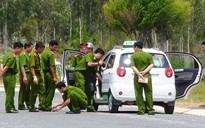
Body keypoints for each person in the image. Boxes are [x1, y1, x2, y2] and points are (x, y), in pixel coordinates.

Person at [74, 48, 105, 112]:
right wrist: (98, 63)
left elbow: (96, 72)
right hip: (79, 72)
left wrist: (102, 80)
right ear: (98, 53)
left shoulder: (95, 60)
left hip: (86, 74)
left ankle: (89, 106)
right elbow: (89, 64)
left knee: (88, 90)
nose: (100, 58)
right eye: (101, 56)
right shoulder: (89, 55)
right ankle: (78, 106)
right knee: (81, 88)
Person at [130, 41, 155, 115]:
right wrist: (144, 72)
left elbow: (132, 66)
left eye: (134, 47)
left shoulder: (134, 56)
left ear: (136, 47)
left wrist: (138, 73)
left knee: (138, 93)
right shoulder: (148, 55)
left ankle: (141, 110)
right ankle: (150, 110)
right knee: (149, 93)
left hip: (138, 77)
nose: (134, 49)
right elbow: (152, 64)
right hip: (147, 75)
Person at [0, 42, 23, 113]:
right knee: (10, 92)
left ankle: (11, 106)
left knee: (9, 92)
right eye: (20, 49)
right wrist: (1, 75)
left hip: (7, 75)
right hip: (10, 76)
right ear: (16, 48)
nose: (21, 51)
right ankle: (9, 107)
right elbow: (6, 67)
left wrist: (2, 73)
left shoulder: (8, 54)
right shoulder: (12, 57)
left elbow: (2, 64)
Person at [41, 40, 58, 111]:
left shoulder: (44, 52)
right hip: (50, 73)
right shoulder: (50, 54)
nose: (55, 49)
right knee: (51, 90)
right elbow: (51, 66)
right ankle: (47, 105)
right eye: (55, 47)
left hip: (45, 73)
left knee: (46, 89)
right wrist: (54, 76)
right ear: (51, 46)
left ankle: (43, 104)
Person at [29, 41, 45, 112]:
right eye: (42, 49)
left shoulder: (37, 54)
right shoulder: (33, 55)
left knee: (42, 90)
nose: (42, 51)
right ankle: (31, 106)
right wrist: (34, 76)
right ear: (38, 48)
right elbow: (32, 67)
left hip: (39, 73)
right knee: (34, 92)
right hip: (35, 74)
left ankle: (42, 105)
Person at [18, 42, 33, 110]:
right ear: (27, 47)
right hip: (25, 73)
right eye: (31, 48)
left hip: (28, 73)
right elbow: (22, 66)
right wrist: (24, 76)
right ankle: (20, 104)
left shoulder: (27, 55)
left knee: (27, 90)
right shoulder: (23, 55)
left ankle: (28, 104)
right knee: (23, 90)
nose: (31, 49)